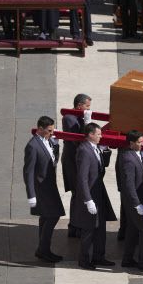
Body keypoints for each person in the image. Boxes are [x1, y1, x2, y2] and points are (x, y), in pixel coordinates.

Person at [71, 122, 117, 270]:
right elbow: (82, 178)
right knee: (89, 229)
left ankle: (99, 256)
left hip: (99, 194)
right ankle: (84, 260)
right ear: (90, 135)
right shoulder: (84, 151)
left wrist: (105, 151)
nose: (101, 136)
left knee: (100, 227)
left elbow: (103, 167)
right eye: (98, 134)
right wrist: (88, 200)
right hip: (90, 195)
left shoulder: (95, 148)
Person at [23, 116, 64, 263]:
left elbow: (53, 161)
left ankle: (43, 249)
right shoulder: (32, 146)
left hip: (50, 185)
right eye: (49, 131)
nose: (52, 133)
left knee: (46, 216)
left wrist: (56, 145)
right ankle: (43, 249)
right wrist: (31, 195)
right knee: (53, 215)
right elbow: (28, 172)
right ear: (40, 129)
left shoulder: (48, 141)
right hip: (41, 188)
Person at [119, 130, 143, 272]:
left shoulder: (133, 154)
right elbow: (129, 184)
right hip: (136, 200)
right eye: (140, 142)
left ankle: (127, 259)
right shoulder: (128, 159)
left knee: (132, 229)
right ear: (131, 143)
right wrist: (137, 204)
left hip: (139, 198)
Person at [62, 94, 91, 237]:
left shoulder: (79, 117)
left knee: (80, 193)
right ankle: (74, 226)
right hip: (72, 161)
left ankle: (76, 225)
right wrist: (87, 124)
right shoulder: (69, 118)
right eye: (87, 106)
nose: (89, 109)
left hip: (78, 159)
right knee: (77, 193)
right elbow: (78, 140)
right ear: (79, 105)